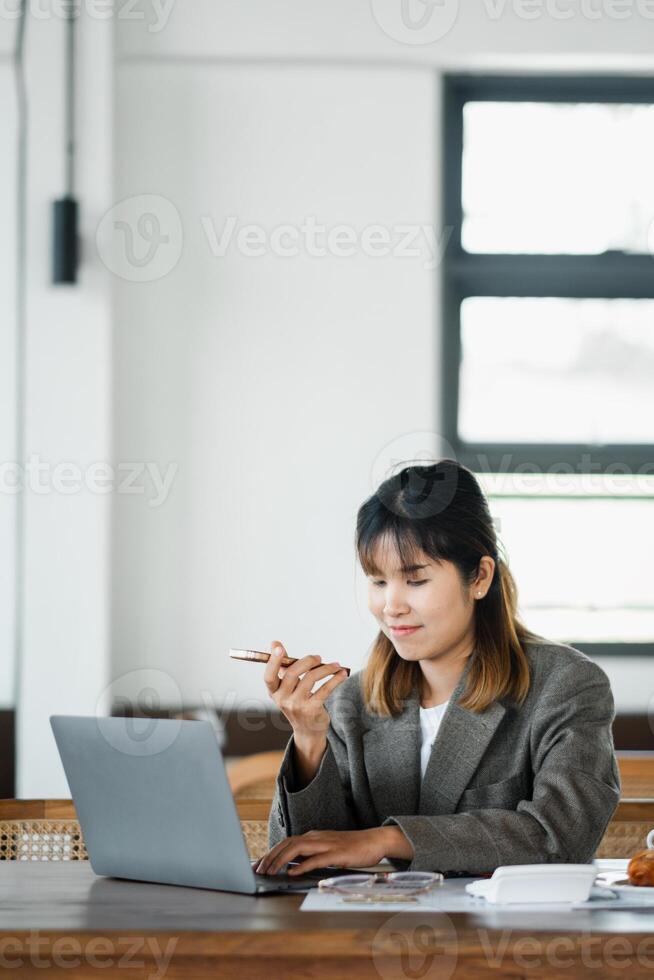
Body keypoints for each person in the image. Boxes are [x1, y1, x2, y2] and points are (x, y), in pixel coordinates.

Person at [255, 459, 621, 876]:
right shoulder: (349, 702)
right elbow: (300, 859)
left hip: (508, 938)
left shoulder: (565, 684)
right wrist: (308, 738)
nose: (391, 606)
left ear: (480, 577)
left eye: (416, 581)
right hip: (370, 935)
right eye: (378, 581)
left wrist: (385, 839)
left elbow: (560, 835)